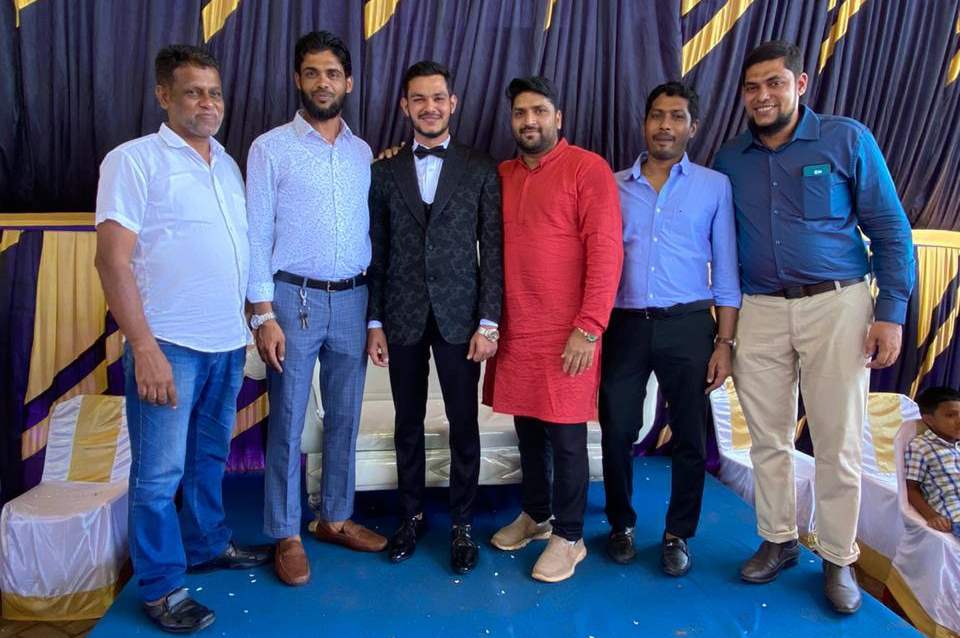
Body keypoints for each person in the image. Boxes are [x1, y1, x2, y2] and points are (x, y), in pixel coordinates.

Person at [713, 40, 915, 614]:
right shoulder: (730, 159)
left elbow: (890, 230)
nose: (763, 96)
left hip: (838, 306)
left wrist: (891, 312)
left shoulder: (846, 139)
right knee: (768, 438)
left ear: (800, 85)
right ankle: (778, 540)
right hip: (760, 309)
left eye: (775, 83)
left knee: (838, 440)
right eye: (752, 87)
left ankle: (838, 556)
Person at [95, 45, 271, 633]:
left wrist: (254, 323)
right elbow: (112, 261)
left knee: (208, 458)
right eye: (193, 91)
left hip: (226, 343)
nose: (207, 103)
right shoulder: (133, 160)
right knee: (157, 475)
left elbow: (237, 252)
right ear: (163, 95)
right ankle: (162, 586)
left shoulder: (227, 164)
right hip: (166, 344)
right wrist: (143, 347)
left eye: (214, 92)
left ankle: (206, 544)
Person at [245, 31, 385, 588]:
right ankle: (286, 532)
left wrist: (373, 315)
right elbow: (257, 234)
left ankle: (335, 518)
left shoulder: (361, 152)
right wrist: (262, 314)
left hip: (353, 297)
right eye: (311, 72)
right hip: (292, 299)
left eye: (332, 73)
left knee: (345, 416)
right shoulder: (269, 148)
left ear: (348, 82)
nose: (322, 83)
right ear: (297, 80)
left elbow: (372, 230)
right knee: (288, 419)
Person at [484, 76, 623, 583]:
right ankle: (537, 515)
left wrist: (589, 327)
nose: (530, 121)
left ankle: (570, 536)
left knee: (566, 438)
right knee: (527, 430)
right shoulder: (502, 174)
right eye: (520, 113)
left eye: (539, 111)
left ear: (557, 117)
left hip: (569, 333)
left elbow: (607, 251)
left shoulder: (587, 168)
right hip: (518, 330)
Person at [366, 60, 503, 574]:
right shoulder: (383, 171)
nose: (429, 107)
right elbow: (376, 252)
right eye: (419, 99)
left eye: (438, 98)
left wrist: (489, 321)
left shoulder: (481, 167)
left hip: (460, 319)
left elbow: (494, 250)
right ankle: (411, 515)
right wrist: (374, 322)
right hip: (400, 316)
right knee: (408, 421)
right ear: (405, 106)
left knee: (464, 423)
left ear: (453, 103)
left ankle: (462, 523)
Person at [599, 82, 740, 576]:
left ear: (692, 127)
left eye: (677, 117)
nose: (665, 125)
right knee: (617, 429)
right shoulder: (611, 185)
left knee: (690, 437)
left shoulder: (714, 186)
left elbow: (727, 272)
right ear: (644, 123)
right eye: (657, 115)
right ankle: (620, 523)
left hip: (689, 325)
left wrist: (725, 343)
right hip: (624, 325)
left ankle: (679, 533)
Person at [906, 386, 960, 539]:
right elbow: (910, 489)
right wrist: (932, 516)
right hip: (955, 513)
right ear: (929, 420)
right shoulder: (921, 446)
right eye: (950, 415)